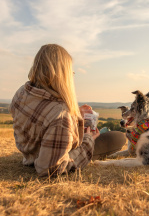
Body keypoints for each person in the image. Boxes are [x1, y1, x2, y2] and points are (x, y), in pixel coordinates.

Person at [9, 44, 126, 176]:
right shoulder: (60, 114)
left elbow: (41, 121)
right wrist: (88, 139)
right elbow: (50, 168)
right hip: (55, 156)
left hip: (30, 154)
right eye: (71, 72)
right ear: (63, 74)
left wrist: (75, 113)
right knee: (119, 137)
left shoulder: (21, 92)